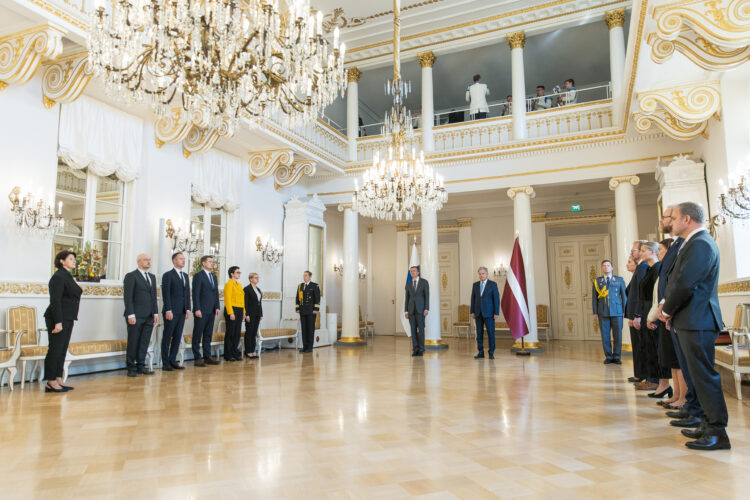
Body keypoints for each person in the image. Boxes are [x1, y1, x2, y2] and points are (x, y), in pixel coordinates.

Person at [659, 201, 730, 450]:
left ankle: (717, 431)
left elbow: (686, 283)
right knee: (697, 377)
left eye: (674, 217)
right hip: (691, 319)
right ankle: (705, 423)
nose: (672, 222)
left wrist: (666, 310)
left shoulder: (700, 244)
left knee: (704, 377)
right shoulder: (694, 243)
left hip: (698, 319)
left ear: (687, 219)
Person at [647, 237, 686, 407]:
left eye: (661, 250)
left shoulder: (671, 267)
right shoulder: (664, 269)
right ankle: (677, 394)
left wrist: (664, 312)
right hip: (664, 316)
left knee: (678, 360)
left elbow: (670, 292)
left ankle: (683, 397)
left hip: (671, 315)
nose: (659, 253)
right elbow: (659, 296)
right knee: (671, 360)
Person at [43, 250, 82, 392]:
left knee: (62, 348)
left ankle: (58, 378)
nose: (74, 261)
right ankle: (50, 381)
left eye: (74, 259)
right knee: (55, 349)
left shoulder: (67, 276)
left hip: (68, 317)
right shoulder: (58, 276)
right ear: (61, 261)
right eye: (70, 258)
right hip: (57, 318)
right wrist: (58, 322)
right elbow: (55, 301)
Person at [637, 242, 670, 394]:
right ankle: (651, 378)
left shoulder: (657, 268)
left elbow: (657, 294)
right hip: (647, 308)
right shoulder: (650, 268)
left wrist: (653, 315)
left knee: (654, 346)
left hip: (653, 308)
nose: (641, 253)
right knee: (648, 345)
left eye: (643, 251)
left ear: (652, 252)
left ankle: (655, 380)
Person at [123, 253, 159, 377]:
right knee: (133, 341)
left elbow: (153, 296)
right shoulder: (131, 276)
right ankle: (131, 367)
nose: (148, 262)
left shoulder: (152, 277)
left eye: (149, 260)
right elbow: (128, 297)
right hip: (136, 315)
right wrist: (130, 314)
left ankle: (141, 366)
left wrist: (155, 312)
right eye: (145, 260)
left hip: (149, 315)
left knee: (144, 342)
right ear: (138, 261)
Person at [591, 259, 627, 364]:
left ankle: (617, 356)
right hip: (603, 311)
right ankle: (609, 356)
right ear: (602, 268)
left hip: (617, 311)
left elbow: (624, 296)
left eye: (608, 265)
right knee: (605, 335)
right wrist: (595, 312)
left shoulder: (619, 280)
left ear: (612, 268)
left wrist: (625, 310)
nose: (606, 267)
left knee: (617, 335)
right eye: (604, 266)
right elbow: (594, 298)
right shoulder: (597, 281)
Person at [161, 251, 190, 371]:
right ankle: (165, 362)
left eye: (184, 259)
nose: (183, 261)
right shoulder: (168, 275)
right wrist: (168, 309)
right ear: (174, 261)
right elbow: (166, 294)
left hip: (182, 311)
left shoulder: (185, 276)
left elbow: (187, 294)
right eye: (180, 259)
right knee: (168, 336)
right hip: (171, 311)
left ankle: (173, 360)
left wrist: (188, 308)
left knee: (177, 337)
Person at [626, 241, 648, 385]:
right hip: (635, 314)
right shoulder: (640, 268)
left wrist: (637, 315)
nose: (632, 252)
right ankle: (639, 374)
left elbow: (640, 294)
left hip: (639, 314)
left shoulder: (643, 267)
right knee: (638, 346)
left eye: (634, 250)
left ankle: (643, 375)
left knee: (642, 346)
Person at [192, 255, 221, 366]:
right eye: (210, 261)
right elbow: (196, 294)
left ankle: (207, 356)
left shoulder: (213, 276)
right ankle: (197, 357)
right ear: (203, 263)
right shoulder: (198, 276)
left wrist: (217, 306)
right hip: (201, 310)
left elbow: (215, 293)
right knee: (198, 334)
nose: (212, 263)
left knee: (208, 334)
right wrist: (197, 308)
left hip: (212, 310)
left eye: (213, 262)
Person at [470, 267, 499, 359]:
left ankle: (491, 353)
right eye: (480, 274)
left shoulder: (493, 284)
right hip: (478, 313)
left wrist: (496, 312)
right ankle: (481, 352)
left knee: (491, 333)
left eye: (483, 273)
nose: (481, 275)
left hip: (489, 313)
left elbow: (496, 299)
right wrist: (472, 311)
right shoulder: (475, 285)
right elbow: (473, 299)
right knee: (479, 333)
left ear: (487, 274)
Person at [404, 266, 429, 356]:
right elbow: (407, 298)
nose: (412, 273)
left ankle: (421, 349)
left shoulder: (424, 282)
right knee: (413, 331)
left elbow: (427, 296)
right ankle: (415, 349)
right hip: (411, 311)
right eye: (411, 271)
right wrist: (406, 311)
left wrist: (426, 308)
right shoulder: (408, 284)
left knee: (421, 330)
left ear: (418, 272)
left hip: (421, 310)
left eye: (414, 271)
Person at [223, 266, 244, 362]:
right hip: (232, 310)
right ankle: (228, 354)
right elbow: (227, 299)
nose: (239, 274)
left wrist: (244, 312)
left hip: (239, 310)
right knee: (230, 333)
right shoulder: (229, 284)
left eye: (240, 272)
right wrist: (230, 312)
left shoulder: (239, 285)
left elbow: (242, 299)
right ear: (232, 274)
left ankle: (235, 352)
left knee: (237, 333)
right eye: (237, 272)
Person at [296, 271, 320, 353]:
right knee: (304, 329)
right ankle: (304, 347)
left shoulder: (314, 285)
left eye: (306, 275)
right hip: (302, 311)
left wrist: (316, 309)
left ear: (310, 277)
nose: (304, 277)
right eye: (303, 275)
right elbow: (297, 298)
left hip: (311, 311)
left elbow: (317, 298)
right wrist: (297, 308)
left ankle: (310, 347)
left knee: (310, 329)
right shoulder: (300, 286)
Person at [244, 272, 263, 358]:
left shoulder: (258, 289)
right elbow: (245, 303)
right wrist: (246, 314)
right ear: (251, 279)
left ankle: (253, 350)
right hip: (250, 314)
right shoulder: (246, 289)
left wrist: (261, 313)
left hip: (257, 314)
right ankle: (248, 351)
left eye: (258, 277)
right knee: (249, 332)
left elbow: (259, 303)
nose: (257, 279)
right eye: (255, 277)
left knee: (254, 333)